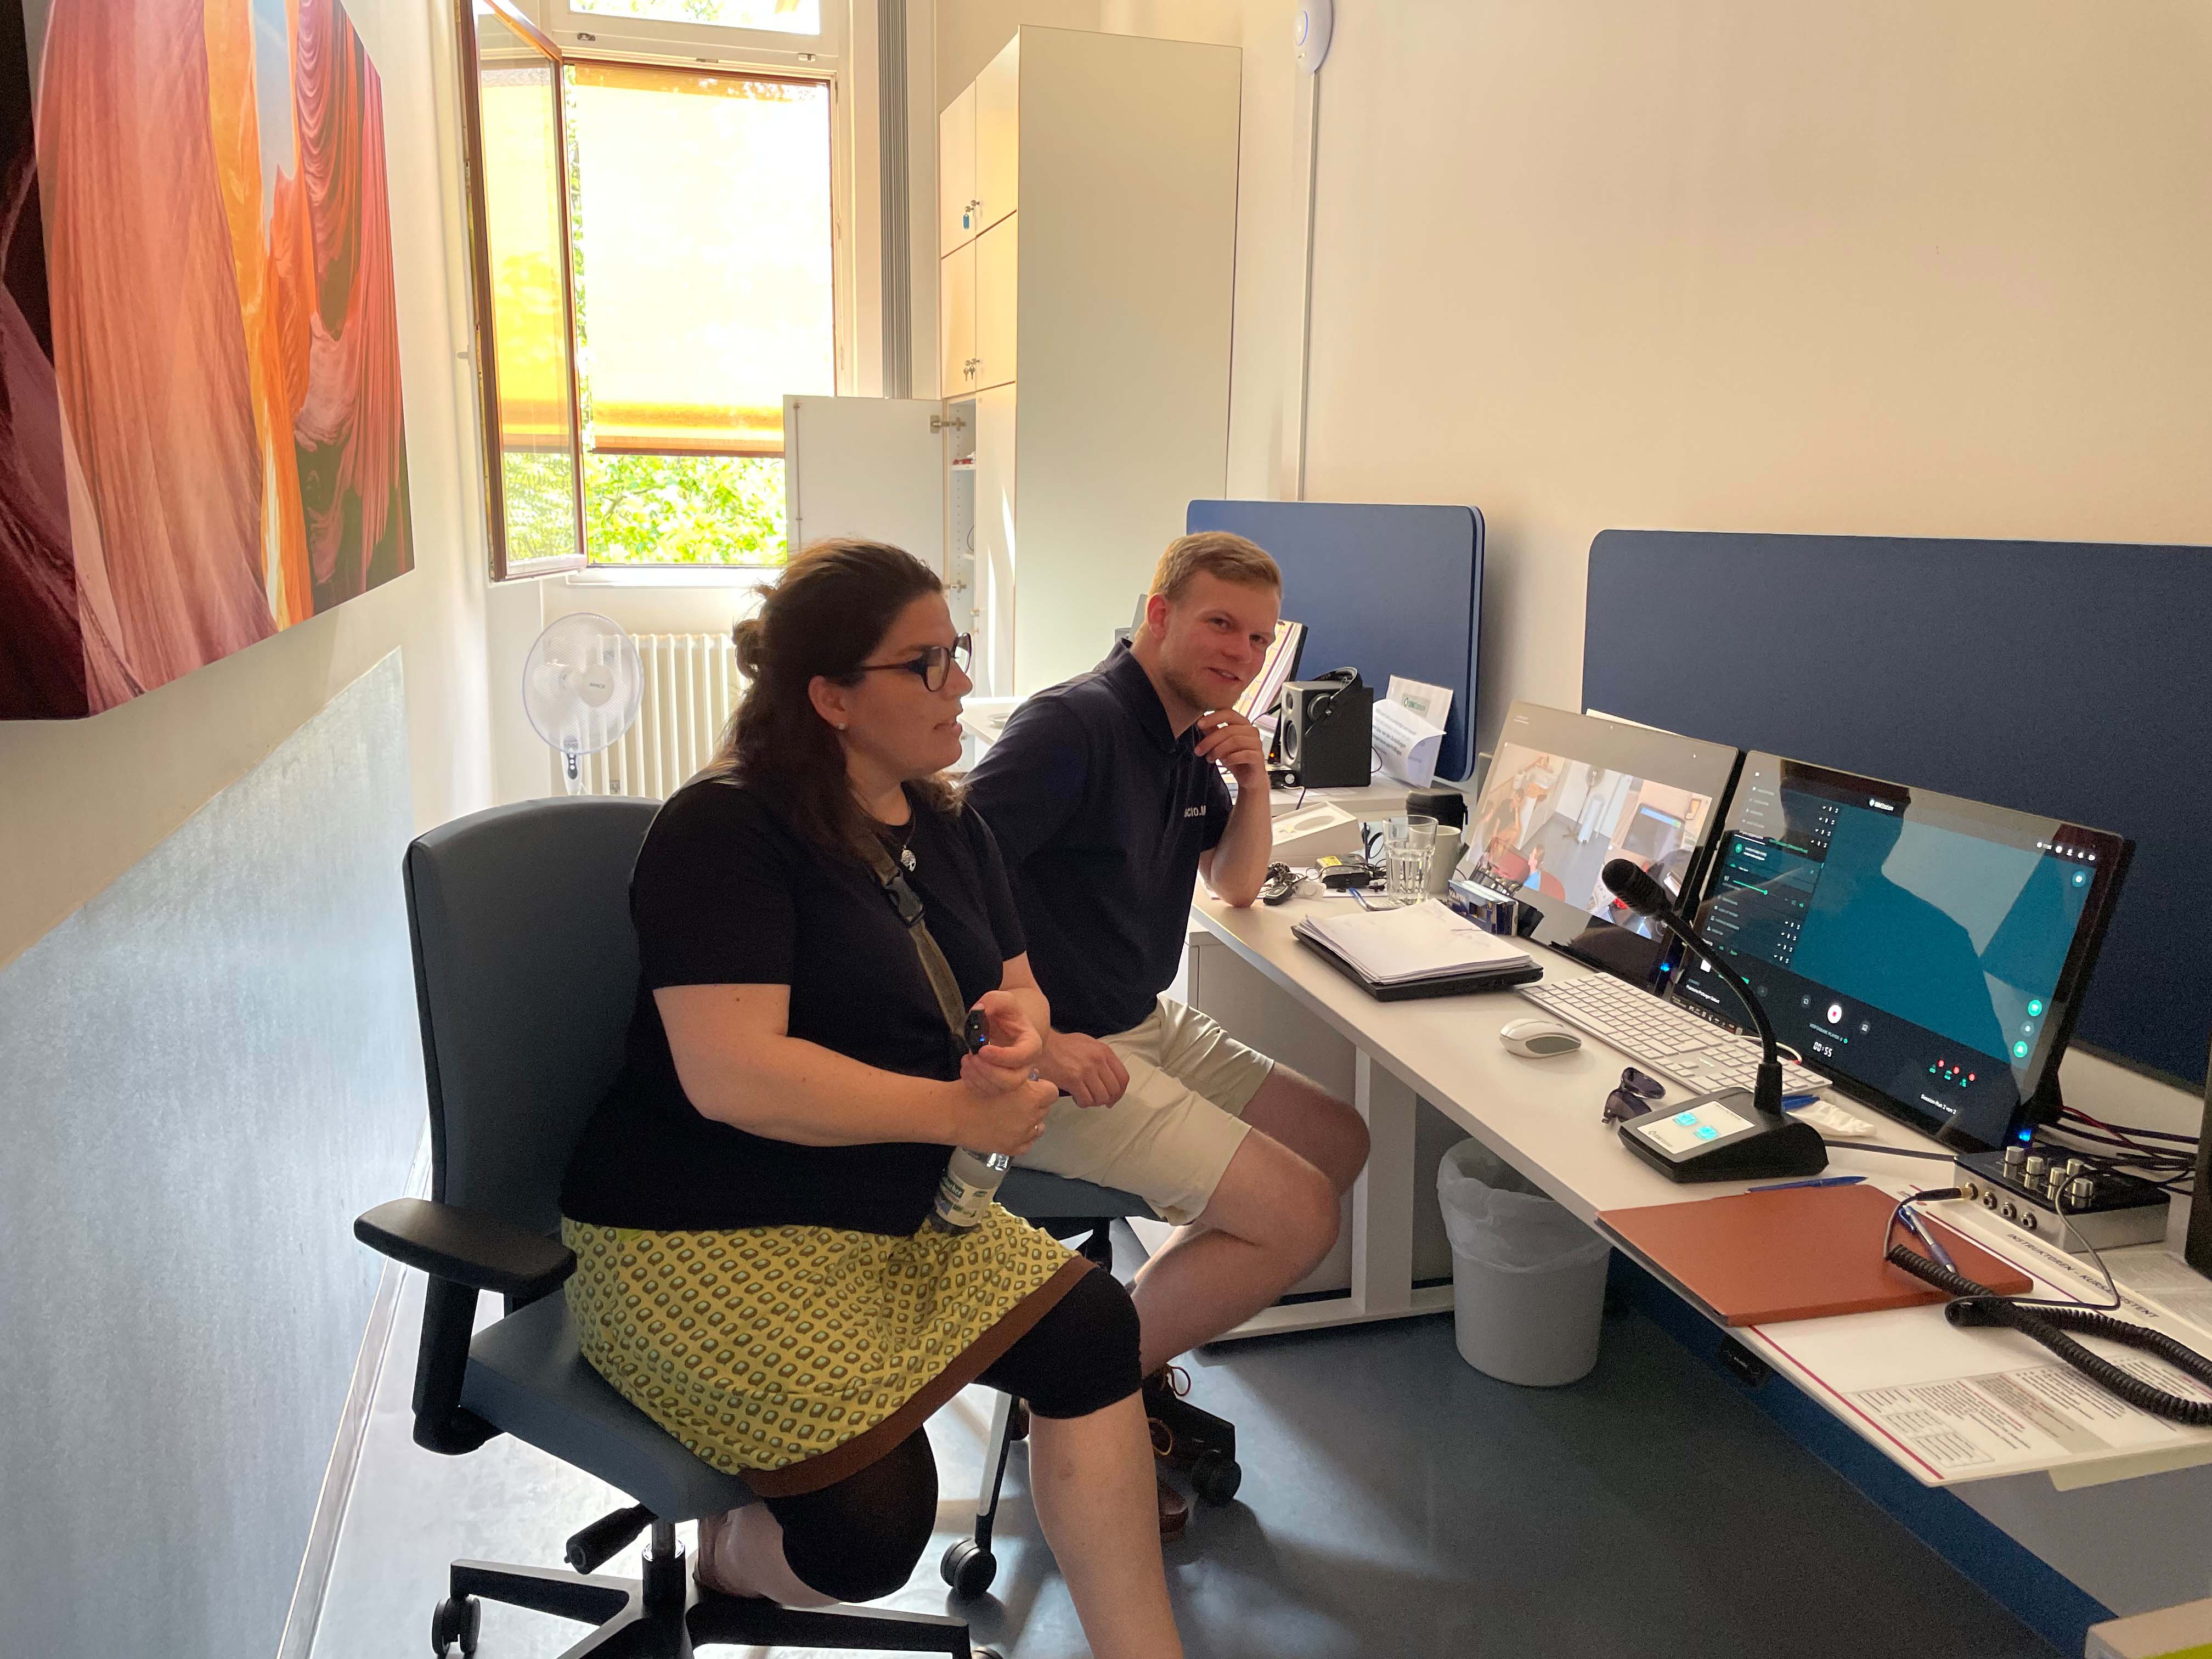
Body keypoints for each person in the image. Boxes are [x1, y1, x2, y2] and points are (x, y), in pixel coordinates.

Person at [557, 540, 1182, 1657]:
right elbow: (733, 1075)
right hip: (694, 1228)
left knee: (1095, 1325)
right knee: (870, 1531)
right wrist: (957, 1114)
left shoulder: (947, 823)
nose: (959, 682)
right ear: (831, 697)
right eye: (925, 662)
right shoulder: (725, 832)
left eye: (957, 650)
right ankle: (726, 1562)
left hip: (887, 1208)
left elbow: (1017, 987)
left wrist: (1018, 1036)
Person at [964, 532, 1370, 1527]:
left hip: (1140, 1019)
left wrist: (1256, 780)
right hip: (1054, 1058)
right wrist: (1037, 1038)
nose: (1242, 653)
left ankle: (1109, 1361)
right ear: (1159, 615)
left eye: (1260, 639)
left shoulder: (1186, 740)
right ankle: (1085, 1396)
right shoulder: (1077, 725)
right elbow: (946, 880)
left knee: (1337, 1141)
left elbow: (1235, 884)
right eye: (1220, 624)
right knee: (1300, 1216)